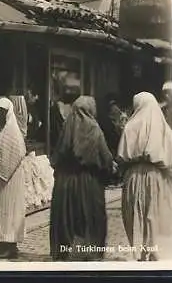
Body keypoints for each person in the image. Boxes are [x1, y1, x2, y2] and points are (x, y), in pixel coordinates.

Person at [49, 96, 115, 261]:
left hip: (66, 183)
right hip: (89, 182)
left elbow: (57, 157)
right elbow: (105, 159)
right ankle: (90, 252)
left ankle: (66, 252)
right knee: (91, 217)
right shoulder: (94, 129)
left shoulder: (67, 128)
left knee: (67, 219)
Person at [117, 92, 172, 261]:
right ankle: (155, 250)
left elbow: (121, 157)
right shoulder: (163, 127)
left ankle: (141, 252)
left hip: (133, 176)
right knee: (155, 214)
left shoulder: (130, 127)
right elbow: (170, 158)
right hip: (156, 176)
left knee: (135, 213)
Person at [0, 98, 27, 259]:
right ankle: (4, 242)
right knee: (2, 209)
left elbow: (17, 152)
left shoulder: (12, 132)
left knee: (11, 210)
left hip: (12, 177)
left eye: (2, 113)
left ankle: (9, 244)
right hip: (2, 177)